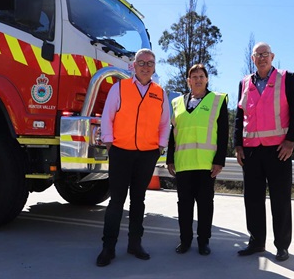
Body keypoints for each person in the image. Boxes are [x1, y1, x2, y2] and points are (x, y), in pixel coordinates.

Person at [96, 48, 170, 267]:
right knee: (116, 201)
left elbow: (165, 123)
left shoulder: (160, 92)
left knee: (139, 200)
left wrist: (160, 147)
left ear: (154, 67)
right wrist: (110, 144)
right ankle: (108, 247)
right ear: (134, 65)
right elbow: (107, 118)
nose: (146, 66)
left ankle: (134, 244)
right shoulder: (119, 88)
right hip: (120, 152)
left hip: (147, 155)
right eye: (141, 62)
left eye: (150, 63)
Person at [234, 42, 294, 262]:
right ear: (252, 59)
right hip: (251, 151)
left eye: (265, 54)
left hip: (278, 150)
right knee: (252, 199)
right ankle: (256, 241)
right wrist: (238, 145)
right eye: (257, 55)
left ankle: (282, 246)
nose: (262, 58)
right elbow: (239, 116)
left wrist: (291, 141)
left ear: (272, 56)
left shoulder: (287, 77)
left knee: (280, 200)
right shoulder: (244, 82)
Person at [166, 64, 229, 256]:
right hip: (183, 163)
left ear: (207, 79)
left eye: (202, 76)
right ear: (188, 81)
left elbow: (223, 133)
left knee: (205, 205)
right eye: (194, 77)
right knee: (184, 205)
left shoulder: (217, 100)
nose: (198, 80)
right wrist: (170, 159)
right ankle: (185, 241)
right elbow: (172, 134)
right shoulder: (177, 103)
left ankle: (204, 241)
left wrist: (219, 160)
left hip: (206, 164)